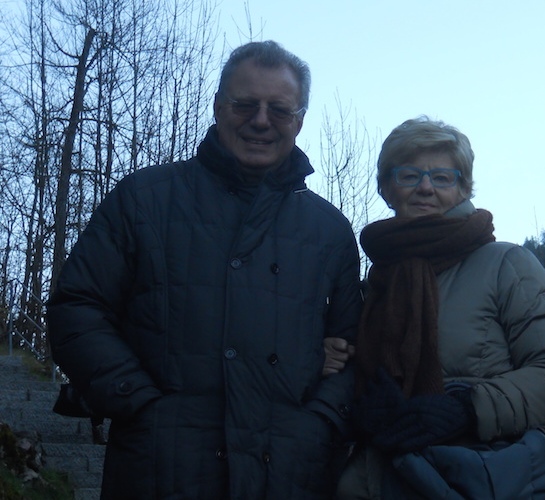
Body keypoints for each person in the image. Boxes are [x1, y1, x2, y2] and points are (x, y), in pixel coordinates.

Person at [47, 41, 363, 499]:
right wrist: (138, 403)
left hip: (292, 473)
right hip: (161, 467)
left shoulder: (331, 230)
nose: (260, 120)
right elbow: (77, 308)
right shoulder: (143, 199)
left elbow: (354, 352)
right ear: (218, 107)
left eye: (278, 109)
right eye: (244, 104)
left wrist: (318, 424)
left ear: (299, 120)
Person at [335, 116, 545, 499]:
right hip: (382, 481)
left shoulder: (506, 264)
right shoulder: (376, 284)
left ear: (463, 188)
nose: (425, 187)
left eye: (441, 177)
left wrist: (468, 409)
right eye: (408, 175)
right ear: (387, 188)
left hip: (480, 479)